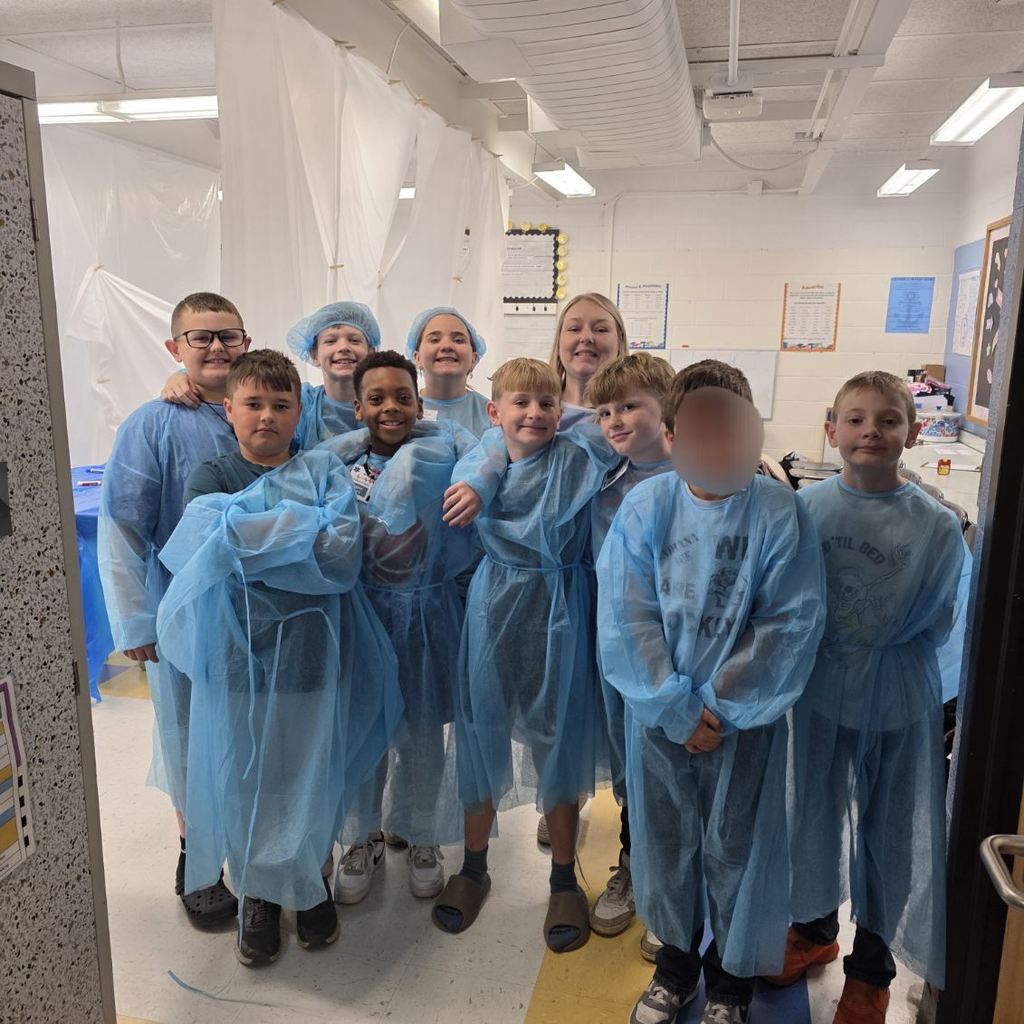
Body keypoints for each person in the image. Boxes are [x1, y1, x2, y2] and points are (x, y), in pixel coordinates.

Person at [597, 360, 826, 1024]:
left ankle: (730, 982)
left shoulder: (780, 512)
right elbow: (626, 616)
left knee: (740, 849)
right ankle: (675, 967)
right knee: (666, 844)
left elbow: (789, 621)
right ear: (671, 435)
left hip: (745, 723)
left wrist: (719, 708)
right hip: (658, 718)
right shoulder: (646, 507)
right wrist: (672, 705)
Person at [157, 350, 402, 966]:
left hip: (314, 657)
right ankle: (258, 897)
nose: (267, 416)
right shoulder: (211, 475)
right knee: (246, 778)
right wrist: (299, 529)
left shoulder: (323, 471)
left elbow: (340, 555)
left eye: (281, 405)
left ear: (300, 411)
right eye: (253, 404)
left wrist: (256, 532)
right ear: (229, 411)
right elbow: (207, 542)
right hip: (238, 661)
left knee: (310, 772)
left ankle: (309, 882)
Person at [772, 371, 971, 1024]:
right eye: (855, 419)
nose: (871, 432)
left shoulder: (937, 527)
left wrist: (870, 646)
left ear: (912, 433)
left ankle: (873, 967)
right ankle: (814, 926)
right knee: (813, 815)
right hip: (821, 693)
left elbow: (938, 619)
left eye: (888, 420)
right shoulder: (808, 510)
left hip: (895, 699)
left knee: (889, 834)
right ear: (832, 429)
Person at [431, 357, 620, 954]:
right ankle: (474, 867)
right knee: (480, 731)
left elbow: (619, 430)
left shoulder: (576, 458)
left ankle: (564, 877)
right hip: (494, 606)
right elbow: (478, 462)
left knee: (556, 737)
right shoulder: (479, 463)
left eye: (547, 404)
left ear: (561, 413)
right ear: (495, 412)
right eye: (520, 403)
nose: (534, 413)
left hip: (560, 605)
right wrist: (487, 469)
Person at [98, 291, 251, 928]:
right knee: (188, 736)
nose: (216, 347)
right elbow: (123, 526)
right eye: (200, 338)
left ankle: (255, 854)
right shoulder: (152, 424)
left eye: (228, 336)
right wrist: (135, 621)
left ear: (246, 342)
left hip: (265, 614)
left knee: (254, 735)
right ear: (175, 348)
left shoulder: (267, 408)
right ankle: (199, 862)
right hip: (182, 611)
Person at [318, 350, 479, 906]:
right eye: (377, 398)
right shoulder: (336, 465)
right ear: (357, 405)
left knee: (424, 736)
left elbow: (490, 471)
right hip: (365, 616)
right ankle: (361, 836)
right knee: (365, 733)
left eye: (403, 396)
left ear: (419, 401)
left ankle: (425, 834)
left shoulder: (447, 455)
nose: (391, 407)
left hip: (429, 616)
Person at [581, 353, 675, 947]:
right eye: (605, 410)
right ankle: (634, 867)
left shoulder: (693, 479)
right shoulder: (607, 478)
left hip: (674, 655)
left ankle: (672, 896)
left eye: (631, 407)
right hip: (617, 651)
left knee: (673, 773)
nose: (615, 420)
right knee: (629, 772)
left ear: (668, 409)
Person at [160, 301, 381, 450]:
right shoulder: (301, 400)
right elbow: (251, 384)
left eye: (354, 340)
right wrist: (182, 375)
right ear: (313, 354)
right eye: (331, 341)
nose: (343, 347)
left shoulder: (390, 405)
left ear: (372, 351)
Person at [547, 292, 629, 432]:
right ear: (559, 342)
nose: (586, 337)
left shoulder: (637, 418)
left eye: (601, 330)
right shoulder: (527, 410)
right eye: (574, 329)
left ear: (619, 342)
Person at [406, 307, 491, 437]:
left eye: (458, 340)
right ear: (417, 358)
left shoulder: (493, 414)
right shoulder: (403, 412)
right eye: (434, 339)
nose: (446, 346)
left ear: (473, 359)